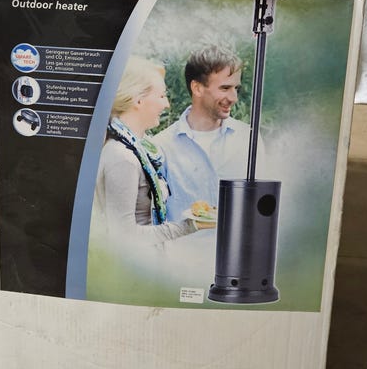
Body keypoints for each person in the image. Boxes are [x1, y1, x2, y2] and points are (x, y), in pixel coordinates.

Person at [94, 55, 198, 248]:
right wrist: (188, 226)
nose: (167, 104)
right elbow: (124, 237)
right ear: (138, 100)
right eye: (162, 96)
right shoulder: (122, 157)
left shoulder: (142, 150)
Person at [156, 45, 257, 222]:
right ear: (197, 88)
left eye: (236, 88)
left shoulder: (248, 139)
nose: (234, 98)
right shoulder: (162, 147)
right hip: (184, 241)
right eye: (225, 88)